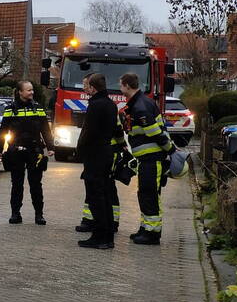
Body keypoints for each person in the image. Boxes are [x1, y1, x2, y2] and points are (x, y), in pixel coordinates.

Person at [120, 72, 175, 245]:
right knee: (144, 193)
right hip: (147, 159)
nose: (120, 88)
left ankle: (152, 233)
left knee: (150, 194)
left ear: (128, 85)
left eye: (121, 85)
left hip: (153, 158)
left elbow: (154, 132)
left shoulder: (141, 107)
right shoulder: (139, 103)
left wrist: (171, 150)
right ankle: (145, 228)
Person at [75, 73, 122, 250]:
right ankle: (107, 236)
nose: (85, 89)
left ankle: (100, 236)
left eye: (87, 86)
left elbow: (89, 131)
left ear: (93, 88)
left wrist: (80, 150)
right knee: (105, 196)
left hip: (95, 155)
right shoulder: (111, 104)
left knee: (96, 197)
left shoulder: (95, 105)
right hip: (106, 153)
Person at [0, 80, 54, 225]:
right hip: (16, 151)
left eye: (32, 90)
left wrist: (50, 147)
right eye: (28, 90)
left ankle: (39, 215)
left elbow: (45, 129)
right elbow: (3, 130)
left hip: (34, 151)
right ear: (20, 92)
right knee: (16, 184)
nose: (32, 92)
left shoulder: (38, 108)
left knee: (36, 184)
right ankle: (15, 214)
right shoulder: (10, 109)